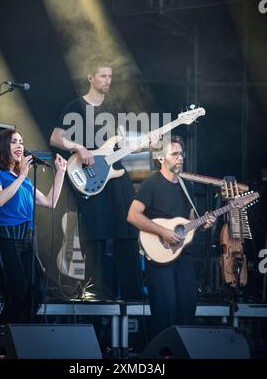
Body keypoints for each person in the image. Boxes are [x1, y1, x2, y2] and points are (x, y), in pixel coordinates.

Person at [50, 62, 144, 300]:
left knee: (128, 230)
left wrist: (143, 143)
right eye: (103, 76)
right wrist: (79, 147)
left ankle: (132, 296)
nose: (108, 80)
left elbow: (120, 143)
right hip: (90, 178)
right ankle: (97, 294)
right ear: (90, 77)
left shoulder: (113, 109)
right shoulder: (75, 107)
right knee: (96, 236)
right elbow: (56, 138)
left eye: (110, 76)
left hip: (115, 174)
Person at [127, 135, 215, 336]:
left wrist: (204, 223)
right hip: (159, 259)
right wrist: (163, 231)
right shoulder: (152, 183)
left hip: (183, 257)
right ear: (160, 158)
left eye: (181, 154)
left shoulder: (186, 186)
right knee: (164, 316)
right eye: (174, 154)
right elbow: (132, 215)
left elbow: (191, 220)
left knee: (187, 310)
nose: (180, 158)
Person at [0, 128, 67, 323]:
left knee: (36, 287)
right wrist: (21, 176)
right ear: (3, 146)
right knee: (17, 288)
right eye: (14, 141)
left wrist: (60, 174)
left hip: (27, 237)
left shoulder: (24, 179)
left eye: (21, 142)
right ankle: (8, 336)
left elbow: (50, 202)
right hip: (5, 237)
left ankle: (21, 333)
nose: (20, 145)